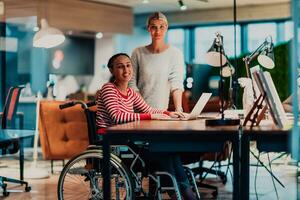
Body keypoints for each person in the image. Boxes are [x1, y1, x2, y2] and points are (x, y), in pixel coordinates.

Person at [96, 53, 197, 199]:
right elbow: (118, 117)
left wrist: (169, 113)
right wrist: (150, 116)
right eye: (120, 67)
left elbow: (148, 110)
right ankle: (180, 195)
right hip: (112, 143)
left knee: (170, 152)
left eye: (128, 65)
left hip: (127, 141)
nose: (126, 70)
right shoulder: (108, 89)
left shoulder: (131, 92)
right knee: (163, 155)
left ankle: (187, 194)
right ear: (112, 71)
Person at [129, 12, 185, 112]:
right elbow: (132, 84)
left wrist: (178, 109)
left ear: (167, 28)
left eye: (161, 27)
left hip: (162, 112)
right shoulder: (137, 52)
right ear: (148, 28)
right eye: (154, 27)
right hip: (139, 113)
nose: (158, 31)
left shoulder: (175, 53)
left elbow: (176, 84)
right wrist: (146, 109)